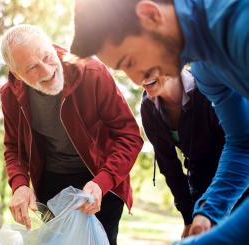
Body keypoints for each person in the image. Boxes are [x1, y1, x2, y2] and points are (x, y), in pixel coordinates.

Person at [70, 0, 249, 236]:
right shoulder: (204, 71)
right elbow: (243, 145)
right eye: (123, 70)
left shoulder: (238, 24)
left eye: (130, 62)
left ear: (150, 14)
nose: (136, 80)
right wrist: (209, 212)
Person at [0, 24, 143, 245]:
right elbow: (13, 148)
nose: (47, 72)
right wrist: (19, 185)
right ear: (17, 74)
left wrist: (102, 182)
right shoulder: (10, 95)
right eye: (32, 68)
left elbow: (129, 136)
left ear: (52, 47)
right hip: (51, 186)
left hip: (101, 180)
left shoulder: (92, 73)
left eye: (47, 57)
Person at [140, 68, 248, 238]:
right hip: (200, 184)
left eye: (146, 64)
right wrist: (189, 217)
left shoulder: (209, 85)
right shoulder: (148, 107)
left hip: (237, 180)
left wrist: (211, 210)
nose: (140, 76)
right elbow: (169, 167)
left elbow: (240, 149)